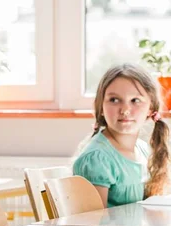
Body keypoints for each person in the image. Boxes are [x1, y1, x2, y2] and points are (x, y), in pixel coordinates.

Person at [73, 63, 170, 208]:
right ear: (101, 107)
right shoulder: (97, 160)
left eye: (135, 100)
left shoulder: (143, 150)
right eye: (114, 100)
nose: (125, 110)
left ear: (151, 109)